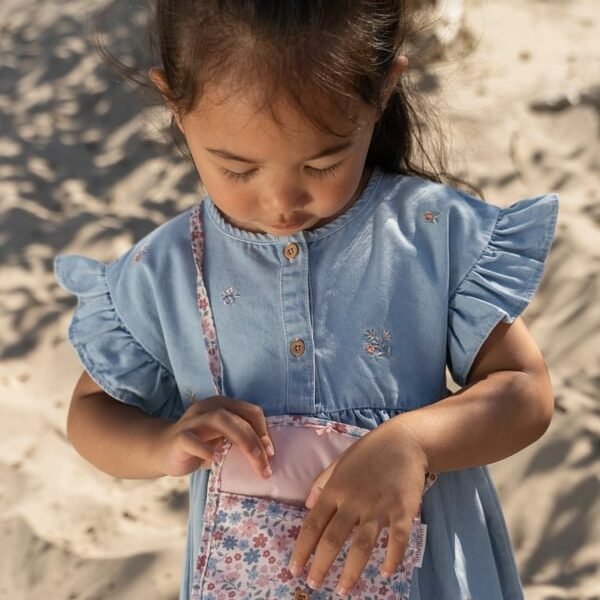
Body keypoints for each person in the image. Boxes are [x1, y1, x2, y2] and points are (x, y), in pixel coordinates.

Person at [54, 1, 559, 598]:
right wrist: (160, 444)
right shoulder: (165, 270)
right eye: (238, 169)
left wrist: (413, 443)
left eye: (322, 163)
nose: (281, 202)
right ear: (175, 105)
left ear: (381, 92)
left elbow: (524, 392)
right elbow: (91, 413)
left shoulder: (429, 233)